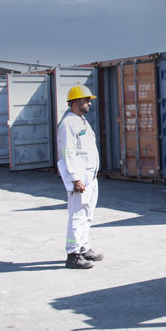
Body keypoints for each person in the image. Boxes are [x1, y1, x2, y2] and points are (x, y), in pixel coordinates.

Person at [57, 84, 103, 269]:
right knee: (77, 214)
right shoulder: (68, 124)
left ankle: (84, 248)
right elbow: (69, 152)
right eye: (86, 100)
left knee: (87, 214)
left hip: (90, 176)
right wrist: (76, 178)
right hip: (80, 177)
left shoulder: (82, 121)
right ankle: (73, 254)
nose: (89, 104)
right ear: (76, 102)